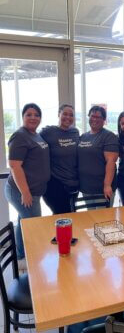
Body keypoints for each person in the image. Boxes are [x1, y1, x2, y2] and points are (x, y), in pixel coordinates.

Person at [4, 103, 50, 269]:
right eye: (29, 114)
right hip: (20, 191)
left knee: (23, 222)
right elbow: (15, 166)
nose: (33, 117)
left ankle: (21, 257)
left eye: (36, 115)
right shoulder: (20, 136)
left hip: (33, 191)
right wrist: (25, 192)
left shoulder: (35, 135)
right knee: (34, 226)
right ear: (23, 117)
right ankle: (33, 262)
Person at [40, 104, 79, 214]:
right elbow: (33, 142)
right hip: (55, 183)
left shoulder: (75, 132)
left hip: (73, 184)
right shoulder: (48, 132)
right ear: (59, 114)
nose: (68, 117)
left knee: (69, 215)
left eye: (71, 115)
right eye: (65, 114)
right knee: (62, 215)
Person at [78, 105, 119, 205]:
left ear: (104, 120)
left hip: (102, 188)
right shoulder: (83, 136)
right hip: (86, 187)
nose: (94, 119)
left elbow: (111, 161)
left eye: (98, 117)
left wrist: (107, 185)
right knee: (91, 217)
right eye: (92, 116)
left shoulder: (109, 136)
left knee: (103, 219)